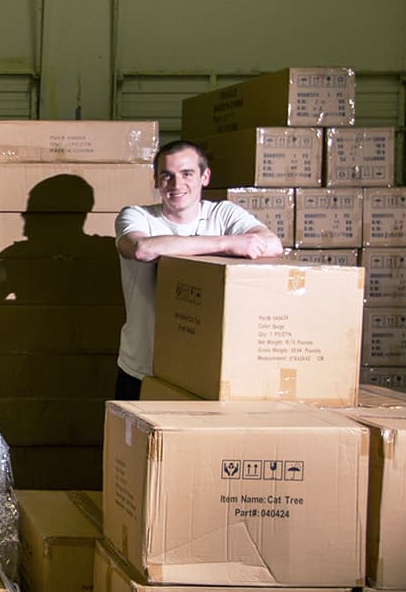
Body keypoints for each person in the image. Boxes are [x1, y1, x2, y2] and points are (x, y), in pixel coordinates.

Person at [115, 139, 282, 399]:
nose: (176, 184)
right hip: (142, 367)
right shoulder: (137, 216)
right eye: (167, 176)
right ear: (156, 181)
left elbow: (272, 245)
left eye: (187, 174)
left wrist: (232, 241)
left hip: (206, 370)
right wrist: (228, 243)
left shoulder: (224, 215)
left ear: (205, 177)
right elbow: (141, 249)